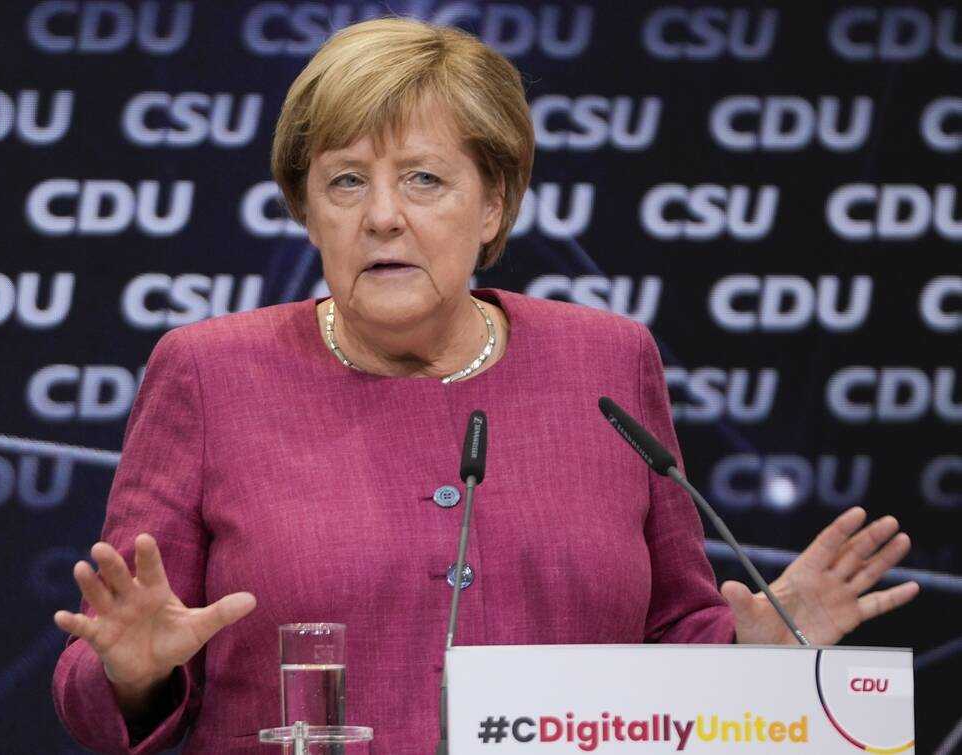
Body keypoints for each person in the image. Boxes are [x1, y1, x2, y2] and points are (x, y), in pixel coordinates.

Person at [50, 17, 919, 754]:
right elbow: (105, 665)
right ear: (307, 210)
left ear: (495, 202)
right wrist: (131, 672)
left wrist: (748, 653)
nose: (382, 215)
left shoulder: (609, 360)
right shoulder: (210, 373)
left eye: (424, 179)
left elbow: (669, 633)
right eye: (346, 181)